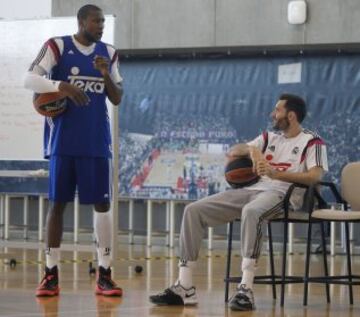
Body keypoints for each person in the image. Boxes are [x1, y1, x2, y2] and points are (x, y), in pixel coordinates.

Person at [149, 94, 328, 311]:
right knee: (193, 210)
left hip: (284, 194)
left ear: (291, 115)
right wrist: (253, 151)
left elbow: (315, 177)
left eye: (277, 110)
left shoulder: (313, 141)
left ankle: (245, 288)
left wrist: (275, 174)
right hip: (251, 190)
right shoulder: (269, 137)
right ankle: (184, 286)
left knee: (252, 212)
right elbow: (234, 151)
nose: (272, 114)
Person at [23, 4, 123, 297]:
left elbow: (117, 98)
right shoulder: (56, 46)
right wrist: (60, 86)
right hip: (63, 142)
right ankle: (50, 274)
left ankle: (104, 273)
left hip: (96, 141)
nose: (101, 26)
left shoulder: (109, 53)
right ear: (81, 22)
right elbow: (28, 79)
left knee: (102, 206)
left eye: (103, 22)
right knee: (58, 204)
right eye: (96, 21)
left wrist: (105, 74)